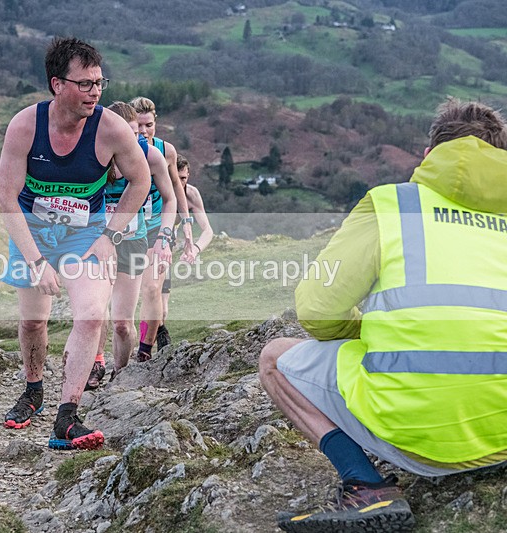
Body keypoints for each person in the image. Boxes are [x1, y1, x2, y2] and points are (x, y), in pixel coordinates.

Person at [259, 98, 507, 532]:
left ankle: (366, 486)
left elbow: (316, 310)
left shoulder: (392, 205)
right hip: (501, 438)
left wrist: (368, 334)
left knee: (274, 359)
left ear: (429, 157)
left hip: (415, 437)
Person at [0, 37, 150, 451]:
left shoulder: (112, 128)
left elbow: (142, 180)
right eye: (84, 84)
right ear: (57, 84)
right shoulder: (26, 125)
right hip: (34, 231)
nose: (95, 92)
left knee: (90, 315)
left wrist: (110, 235)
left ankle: (67, 416)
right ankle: (33, 390)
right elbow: (6, 197)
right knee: (33, 322)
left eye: (99, 83)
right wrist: (35, 260)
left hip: (87, 234)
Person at [86, 102, 176, 389]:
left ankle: (121, 374)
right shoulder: (94, 153)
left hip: (133, 242)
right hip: (97, 241)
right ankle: (95, 364)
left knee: (122, 323)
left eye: (138, 133)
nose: (135, 140)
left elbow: (171, 198)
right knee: (94, 312)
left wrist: (164, 236)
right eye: (129, 133)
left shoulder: (150, 156)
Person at [129, 96, 195, 362]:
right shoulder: (121, 148)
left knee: (151, 288)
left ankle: (145, 350)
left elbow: (176, 188)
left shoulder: (165, 150)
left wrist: (186, 223)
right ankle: (155, 331)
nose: (144, 132)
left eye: (149, 125)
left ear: (156, 123)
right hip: (131, 230)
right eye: (139, 126)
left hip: (159, 226)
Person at [158, 154, 214, 348]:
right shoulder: (157, 190)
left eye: (183, 178)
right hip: (143, 245)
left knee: (162, 309)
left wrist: (195, 249)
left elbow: (207, 230)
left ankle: (158, 344)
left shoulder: (191, 194)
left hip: (166, 249)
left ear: (188, 176)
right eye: (175, 177)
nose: (179, 183)